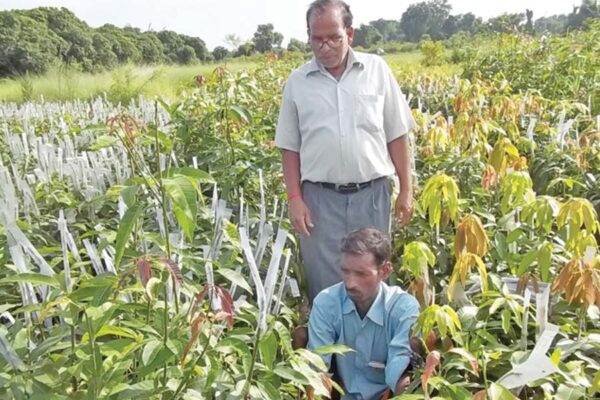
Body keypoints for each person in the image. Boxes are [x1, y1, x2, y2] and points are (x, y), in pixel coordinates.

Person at [275, 0, 416, 302]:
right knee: (325, 284)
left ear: (350, 34)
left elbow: (397, 133)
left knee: (370, 277)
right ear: (309, 37)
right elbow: (289, 147)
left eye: (334, 37)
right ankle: (330, 348)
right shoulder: (298, 82)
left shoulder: (376, 70)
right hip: (319, 201)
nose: (324, 46)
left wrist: (406, 189)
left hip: (372, 195)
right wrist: (294, 198)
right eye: (317, 38)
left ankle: (372, 347)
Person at [307, 228, 419, 399]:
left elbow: (399, 369)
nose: (350, 283)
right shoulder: (326, 303)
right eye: (345, 271)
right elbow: (317, 367)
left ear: (385, 271)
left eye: (361, 274)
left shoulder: (403, 309)